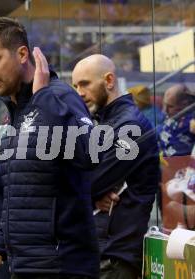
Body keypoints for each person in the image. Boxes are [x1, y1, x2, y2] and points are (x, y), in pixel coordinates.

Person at [0, 15, 99, 279]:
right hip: (26, 266)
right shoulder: (15, 112)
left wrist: (41, 100)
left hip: (62, 267)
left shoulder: (58, 97)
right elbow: (17, 191)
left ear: (22, 54)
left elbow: (93, 154)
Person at [72, 54, 160, 279]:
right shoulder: (103, 123)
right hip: (100, 251)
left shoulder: (130, 126)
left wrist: (90, 190)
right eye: (75, 86)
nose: (79, 93)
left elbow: (87, 181)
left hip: (114, 257)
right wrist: (93, 196)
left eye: (85, 84)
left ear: (109, 81)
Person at [158, 84, 195, 157]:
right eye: (164, 104)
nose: (165, 110)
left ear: (184, 104)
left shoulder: (192, 121)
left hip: (182, 163)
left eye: (170, 106)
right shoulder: (168, 116)